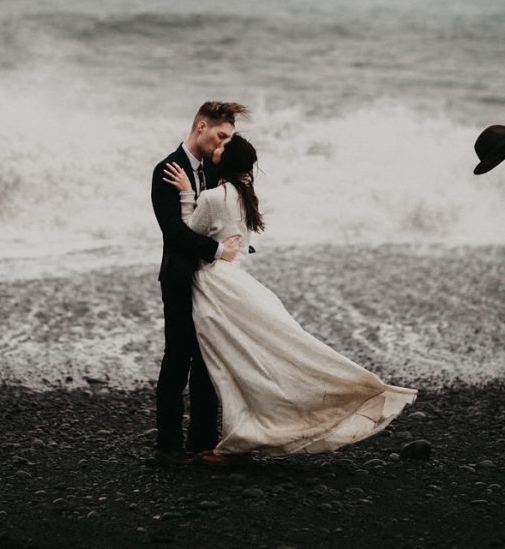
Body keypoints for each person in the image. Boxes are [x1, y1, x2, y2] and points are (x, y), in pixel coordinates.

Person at [163, 132, 418, 464]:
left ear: (228, 160)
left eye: (223, 146)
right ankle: (244, 436)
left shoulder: (212, 197)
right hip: (238, 281)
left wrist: (185, 193)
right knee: (244, 361)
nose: (217, 146)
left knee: (226, 364)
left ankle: (242, 439)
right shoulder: (246, 196)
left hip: (215, 287)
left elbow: (187, 235)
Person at [151, 101, 250, 466]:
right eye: (220, 135)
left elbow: (223, 213)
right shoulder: (167, 169)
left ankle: (203, 441)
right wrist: (218, 249)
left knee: (208, 360)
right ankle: (168, 445)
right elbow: (173, 232)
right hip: (180, 278)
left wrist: (237, 246)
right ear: (201, 126)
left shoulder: (215, 169)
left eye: (228, 138)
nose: (222, 144)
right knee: (177, 359)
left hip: (214, 283)